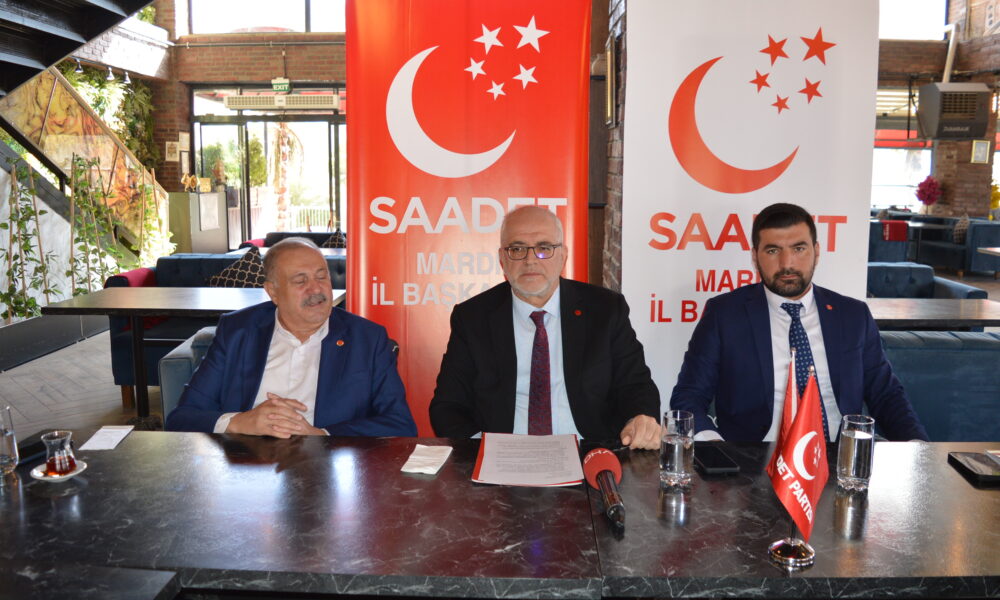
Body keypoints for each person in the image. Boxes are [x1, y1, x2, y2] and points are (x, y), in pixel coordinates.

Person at [670, 202, 928, 442]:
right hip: (754, 460)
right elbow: (689, 396)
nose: (787, 264)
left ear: (816, 251)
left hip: (837, 455)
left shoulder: (852, 315)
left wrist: (918, 449)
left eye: (799, 249)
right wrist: (715, 450)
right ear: (755, 256)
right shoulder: (724, 315)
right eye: (773, 251)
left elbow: (886, 395)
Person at [430, 205, 661, 449]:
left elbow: (636, 386)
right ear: (502, 258)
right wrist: (486, 450)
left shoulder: (605, 309)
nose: (530, 260)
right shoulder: (472, 318)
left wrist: (638, 419)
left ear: (563, 255)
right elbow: (448, 406)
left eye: (544, 248)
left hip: (590, 451)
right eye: (517, 249)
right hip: (503, 455)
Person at [165, 238, 416, 438]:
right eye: (300, 281)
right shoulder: (238, 331)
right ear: (273, 292)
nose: (316, 289)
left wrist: (321, 435)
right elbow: (182, 418)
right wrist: (240, 422)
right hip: (247, 467)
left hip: (328, 468)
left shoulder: (367, 338)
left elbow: (400, 424)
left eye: (322, 276)